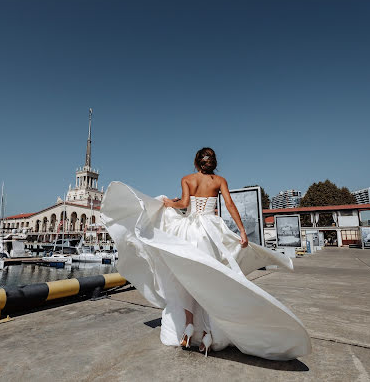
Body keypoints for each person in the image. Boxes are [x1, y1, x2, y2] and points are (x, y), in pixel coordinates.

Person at [100, 147, 311, 361]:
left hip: (189, 231)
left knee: (188, 279)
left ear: (196, 161)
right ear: (213, 162)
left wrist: (167, 203)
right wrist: (242, 231)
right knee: (211, 278)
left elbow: (183, 205)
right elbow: (229, 204)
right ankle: (208, 333)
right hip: (210, 232)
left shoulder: (186, 179)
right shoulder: (219, 181)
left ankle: (189, 325)